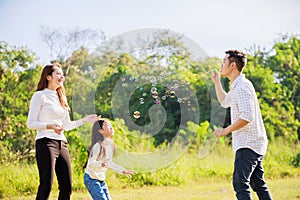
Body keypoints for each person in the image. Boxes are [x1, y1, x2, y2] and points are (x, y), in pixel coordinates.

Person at [27, 63, 99, 200]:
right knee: (46, 184)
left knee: (67, 186)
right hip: (46, 143)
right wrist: (50, 126)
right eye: (58, 74)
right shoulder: (40, 96)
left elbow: (66, 125)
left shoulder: (62, 98)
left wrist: (85, 120)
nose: (62, 77)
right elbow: (31, 123)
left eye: (62, 74)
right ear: (48, 77)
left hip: (62, 144)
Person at [211, 50, 272, 200]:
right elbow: (225, 102)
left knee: (240, 183)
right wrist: (217, 82)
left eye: (224, 61)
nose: (221, 64)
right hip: (253, 143)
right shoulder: (237, 86)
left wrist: (226, 130)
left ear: (233, 65)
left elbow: (247, 116)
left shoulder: (242, 87)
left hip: (248, 144)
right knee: (258, 184)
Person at [84, 119, 135, 200]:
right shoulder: (98, 146)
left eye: (111, 125)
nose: (111, 127)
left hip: (101, 179)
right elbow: (90, 163)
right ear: (101, 131)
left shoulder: (110, 145)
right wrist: (101, 164)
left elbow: (109, 163)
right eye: (107, 125)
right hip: (91, 179)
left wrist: (122, 170)